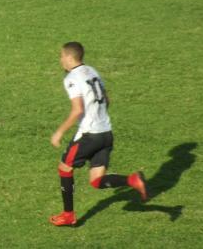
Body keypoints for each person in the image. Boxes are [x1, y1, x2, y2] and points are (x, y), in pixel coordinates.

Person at [49, 41, 148, 226]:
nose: (60, 59)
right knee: (96, 181)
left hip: (89, 135)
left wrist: (59, 132)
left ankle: (68, 214)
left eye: (62, 56)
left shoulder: (71, 78)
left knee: (64, 168)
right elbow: (107, 99)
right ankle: (132, 180)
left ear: (70, 57)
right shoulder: (92, 71)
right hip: (106, 133)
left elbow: (77, 110)